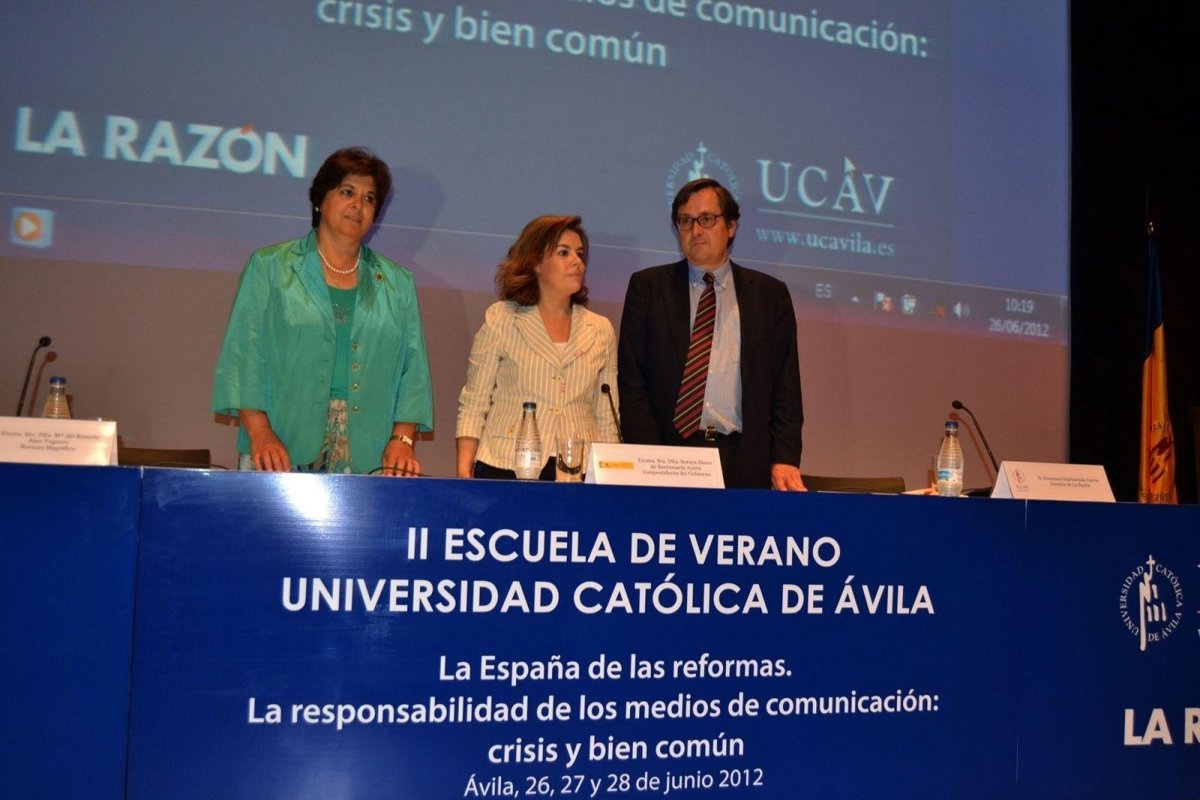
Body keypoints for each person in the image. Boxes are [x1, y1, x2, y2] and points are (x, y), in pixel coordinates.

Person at [212, 147, 433, 475]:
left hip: (368, 451)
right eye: (347, 192)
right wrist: (261, 433)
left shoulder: (397, 283)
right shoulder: (270, 267)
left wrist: (402, 439)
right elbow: (244, 357)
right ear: (320, 199)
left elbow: (413, 372)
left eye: (369, 198)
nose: (358, 205)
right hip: (278, 444)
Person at [618, 178, 805, 490]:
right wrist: (646, 456)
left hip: (743, 458)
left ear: (731, 227)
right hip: (667, 458)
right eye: (685, 221)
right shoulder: (648, 288)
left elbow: (786, 386)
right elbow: (631, 380)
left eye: (706, 219)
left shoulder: (769, 295)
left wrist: (785, 457)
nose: (695, 230)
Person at [456, 215, 619, 479]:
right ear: (535, 263)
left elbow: (607, 415)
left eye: (579, 254)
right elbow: (475, 401)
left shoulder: (600, 329)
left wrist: (610, 476)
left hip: (578, 468)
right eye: (563, 253)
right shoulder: (502, 318)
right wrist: (464, 470)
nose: (577, 262)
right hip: (505, 463)